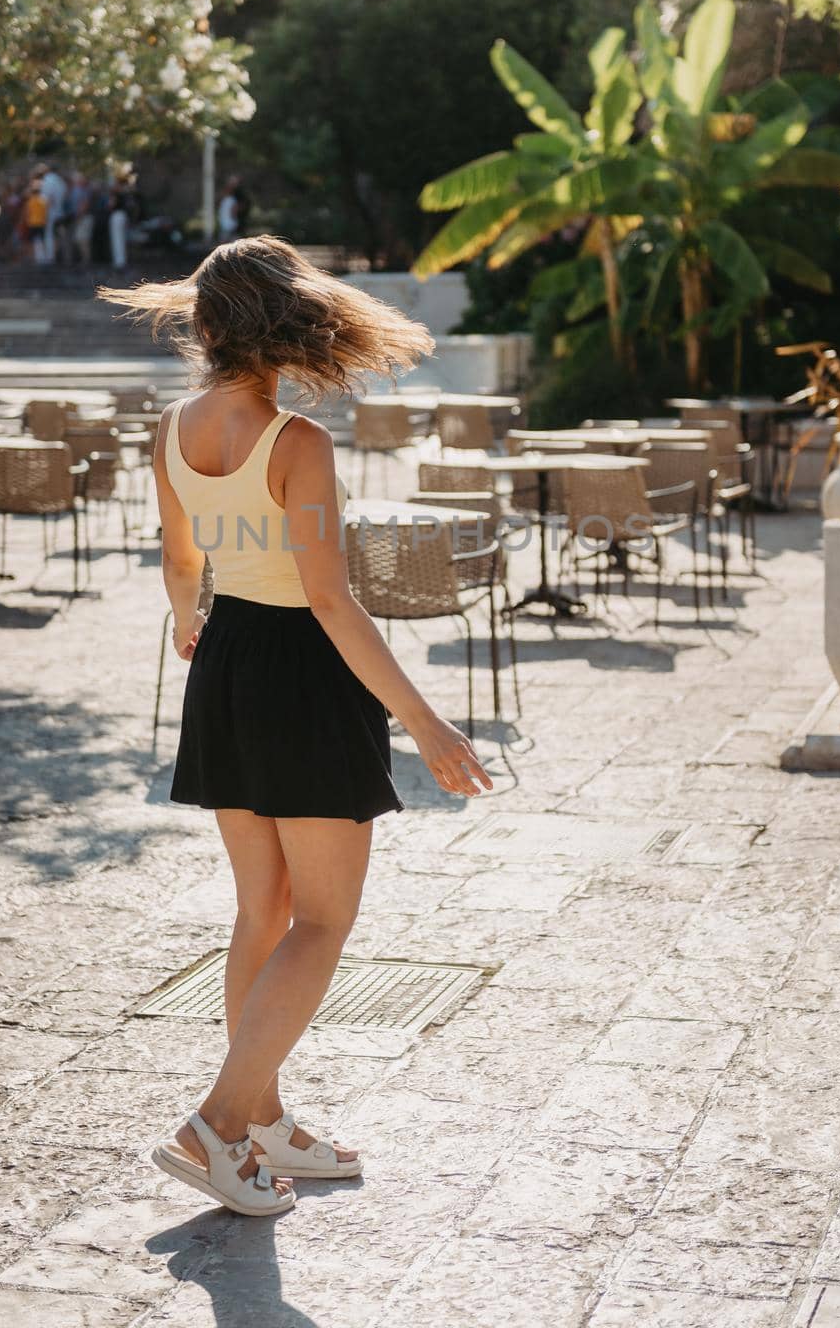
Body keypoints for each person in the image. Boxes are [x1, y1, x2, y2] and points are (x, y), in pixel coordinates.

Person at [99, 237, 492, 1218]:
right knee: (319, 920)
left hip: (228, 662)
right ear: (290, 322)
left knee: (260, 912)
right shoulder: (298, 442)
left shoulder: (173, 429)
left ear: (209, 325)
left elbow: (180, 560)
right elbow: (332, 602)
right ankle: (219, 1120)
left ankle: (262, 1124)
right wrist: (428, 721)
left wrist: (192, 620)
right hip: (304, 676)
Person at [24, 179, 49, 265]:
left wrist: (27, 221)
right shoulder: (43, 200)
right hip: (42, 223)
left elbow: (27, 212)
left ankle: (32, 258)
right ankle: (46, 258)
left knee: (30, 242)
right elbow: (46, 212)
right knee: (42, 241)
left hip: (32, 223)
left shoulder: (30, 201)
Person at [108, 186, 129, 271]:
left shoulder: (116, 196)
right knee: (121, 239)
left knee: (117, 240)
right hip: (123, 216)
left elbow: (110, 205)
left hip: (117, 216)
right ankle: (121, 261)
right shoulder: (124, 196)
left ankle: (119, 262)